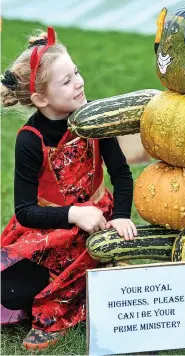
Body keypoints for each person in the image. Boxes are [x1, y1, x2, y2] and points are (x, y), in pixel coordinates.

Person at [1, 27, 137, 349]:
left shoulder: (96, 120)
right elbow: (25, 211)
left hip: (98, 221)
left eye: (76, 72)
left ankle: (71, 306)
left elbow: (121, 174)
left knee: (98, 266)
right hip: (52, 224)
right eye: (66, 81)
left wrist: (119, 215)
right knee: (10, 291)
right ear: (40, 99)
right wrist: (74, 214)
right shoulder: (29, 140)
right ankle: (77, 293)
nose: (79, 82)